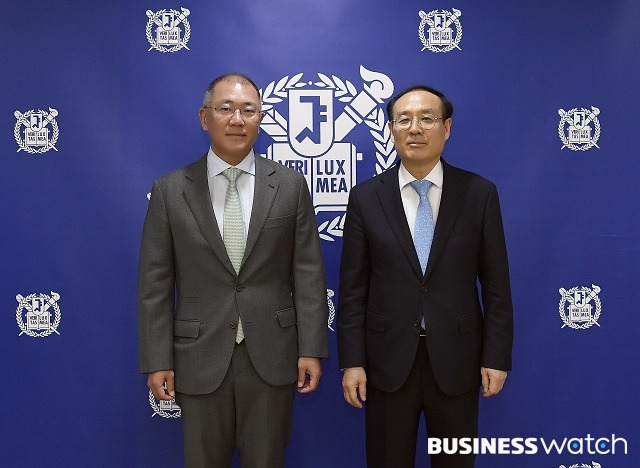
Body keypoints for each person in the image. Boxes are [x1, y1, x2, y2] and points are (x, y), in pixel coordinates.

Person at [137, 73, 328, 468]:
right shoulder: (171, 190)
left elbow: (308, 271)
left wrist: (311, 348)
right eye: (225, 109)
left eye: (248, 110)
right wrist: (157, 359)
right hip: (198, 354)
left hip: (273, 354)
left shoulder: (290, 185)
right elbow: (154, 284)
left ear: (261, 118)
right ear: (204, 117)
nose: (237, 119)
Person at [337, 85, 513, 468]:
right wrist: (352, 362)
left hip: (458, 362)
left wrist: (496, 358)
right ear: (391, 129)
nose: (414, 128)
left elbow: (497, 287)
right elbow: (352, 291)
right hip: (386, 364)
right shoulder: (366, 197)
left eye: (426, 119)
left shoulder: (479, 193)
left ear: (447, 127)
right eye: (403, 120)